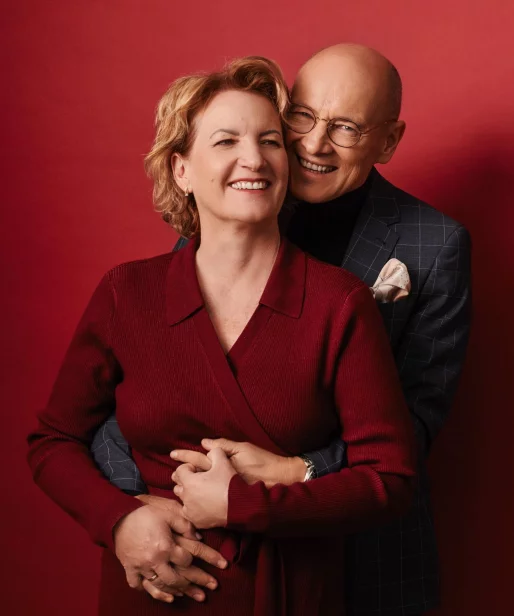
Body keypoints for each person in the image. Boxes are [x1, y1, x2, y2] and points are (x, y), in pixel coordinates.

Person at [27, 56, 416, 616]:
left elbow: (391, 480)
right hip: (148, 593)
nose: (253, 158)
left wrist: (246, 506)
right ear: (181, 169)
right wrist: (118, 521)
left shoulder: (341, 303)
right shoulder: (126, 293)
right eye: (226, 141)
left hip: (289, 595)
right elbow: (53, 441)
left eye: (270, 141)